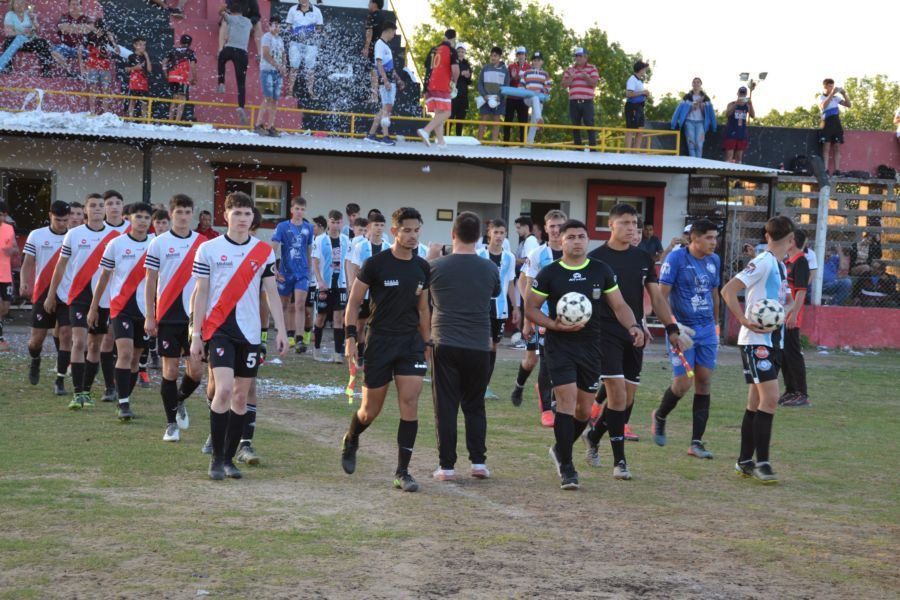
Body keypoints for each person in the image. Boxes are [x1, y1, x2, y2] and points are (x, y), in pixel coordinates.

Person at [527, 219, 643, 489]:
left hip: (591, 347)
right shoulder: (550, 273)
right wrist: (554, 324)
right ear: (561, 241)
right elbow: (531, 307)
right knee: (566, 404)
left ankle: (559, 449)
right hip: (560, 346)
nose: (577, 241)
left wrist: (633, 325)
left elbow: (619, 304)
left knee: (583, 409)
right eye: (571, 237)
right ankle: (568, 467)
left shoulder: (601, 270)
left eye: (581, 236)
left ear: (587, 240)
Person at [191, 192, 287, 480]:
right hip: (218, 329)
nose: (243, 219)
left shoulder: (263, 251)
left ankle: (230, 459)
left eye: (248, 214)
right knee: (222, 390)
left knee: (241, 398)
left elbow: (271, 292)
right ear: (226, 215)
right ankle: (216, 459)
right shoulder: (208, 249)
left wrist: (281, 330)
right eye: (238, 213)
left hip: (249, 332)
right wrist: (196, 334)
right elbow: (201, 293)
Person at [583, 204, 685, 471]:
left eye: (635, 224)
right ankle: (620, 462)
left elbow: (657, 298)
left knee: (626, 400)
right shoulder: (596, 259)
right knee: (616, 396)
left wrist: (671, 328)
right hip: (605, 334)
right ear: (611, 225)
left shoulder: (643, 259)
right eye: (626, 223)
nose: (631, 228)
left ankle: (593, 437)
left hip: (635, 334)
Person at [340, 207, 431, 493]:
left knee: (410, 402)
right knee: (370, 410)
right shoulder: (375, 264)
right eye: (407, 230)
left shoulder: (422, 267)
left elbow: (423, 308)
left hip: (410, 344)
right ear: (394, 231)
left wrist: (427, 342)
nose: (412, 236)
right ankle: (352, 437)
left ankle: (403, 471)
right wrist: (351, 338)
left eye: (417, 230)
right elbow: (354, 303)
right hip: (380, 341)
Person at [721, 215, 797, 484]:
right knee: (771, 399)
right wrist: (742, 319)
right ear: (791, 239)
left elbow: (785, 300)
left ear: (767, 236)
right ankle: (762, 463)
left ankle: (744, 462)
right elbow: (729, 290)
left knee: (755, 402)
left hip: (775, 341)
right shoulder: (763, 262)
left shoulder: (779, 266)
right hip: (756, 342)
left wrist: (782, 313)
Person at [431, 212, 500, 481]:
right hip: (478, 344)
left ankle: (447, 466)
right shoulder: (490, 268)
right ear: (480, 238)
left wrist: (432, 256)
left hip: (445, 341)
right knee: (475, 405)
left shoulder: (436, 266)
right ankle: (478, 463)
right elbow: (494, 293)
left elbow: (419, 286)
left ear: (453, 234)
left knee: (445, 405)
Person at [651, 219, 721, 460]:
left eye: (715, 237)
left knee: (704, 380)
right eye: (709, 238)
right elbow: (660, 297)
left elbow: (714, 294)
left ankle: (696, 443)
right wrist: (673, 326)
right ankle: (660, 416)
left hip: (707, 330)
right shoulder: (676, 259)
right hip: (683, 330)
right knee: (683, 383)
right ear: (695, 238)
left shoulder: (714, 260)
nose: (714, 242)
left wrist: (717, 324)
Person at [43, 193, 116, 409]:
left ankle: (86, 389)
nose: (96, 209)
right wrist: (51, 294)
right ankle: (76, 393)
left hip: (102, 297)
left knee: (95, 344)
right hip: (78, 296)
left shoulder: (114, 235)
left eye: (100, 206)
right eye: (92, 205)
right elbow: (61, 266)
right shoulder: (74, 235)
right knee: (79, 341)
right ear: (85, 209)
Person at [145, 194, 204, 441]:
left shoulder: (203, 244)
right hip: (168, 315)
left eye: (187, 212)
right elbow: (150, 282)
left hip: (195, 317)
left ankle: (179, 400)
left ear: (193, 214)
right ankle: (171, 425)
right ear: (171, 214)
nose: (183, 216)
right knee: (170, 370)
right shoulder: (158, 243)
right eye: (179, 212)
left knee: (197, 372)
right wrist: (150, 315)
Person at [88, 203, 154, 421]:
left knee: (135, 358)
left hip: (145, 310)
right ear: (129, 218)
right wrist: (94, 306)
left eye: (147, 217)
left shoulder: (156, 244)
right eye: (138, 217)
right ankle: (123, 403)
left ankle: (124, 396)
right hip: (121, 308)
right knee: (124, 353)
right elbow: (104, 277)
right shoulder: (116, 244)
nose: (143, 221)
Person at [511, 210, 567, 424]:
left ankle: (551, 402)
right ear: (545, 228)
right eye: (551, 226)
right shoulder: (537, 254)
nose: (555, 229)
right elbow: (524, 284)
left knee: (555, 360)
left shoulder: (572, 252)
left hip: (563, 318)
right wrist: (528, 319)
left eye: (559, 225)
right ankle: (521, 387)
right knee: (534, 360)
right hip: (540, 316)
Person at [21, 201, 72, 391]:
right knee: (37, 340)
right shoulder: (37, 235)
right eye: (58, 220)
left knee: (66, 334)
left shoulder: (73, 236)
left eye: (65, 220)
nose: (62, 224)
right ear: (50, 215)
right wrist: (24, 281)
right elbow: (28, 262)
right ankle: (35, 359)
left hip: (66, 292)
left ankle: (60, 380)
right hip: (42, 292)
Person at [475, 219, 517, 398]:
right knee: (483, 343)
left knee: (493, 346)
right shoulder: (478, 255)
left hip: (500, 308)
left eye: (502, 233)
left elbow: (511, 282)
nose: (499, 236)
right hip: (481, 306)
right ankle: (475, 384)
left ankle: (484, 386)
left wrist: (516, 307)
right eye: (496, 232)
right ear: (489, 234)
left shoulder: (510, 257)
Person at [272, 196, 314, 353]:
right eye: (297, 208)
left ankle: (299, 339)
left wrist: (309, 269)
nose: (299, 212)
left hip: (302, 272)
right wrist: (273, 269)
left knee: (300, 304)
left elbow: (309, 249)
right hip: (285, 271)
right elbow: (273, 247)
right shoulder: (282, 227)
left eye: (302, 209)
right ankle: (285, 335)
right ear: (291, 210)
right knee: (284, 304)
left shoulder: (308, 228)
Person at [345, 211, 388, 365]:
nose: (379, 228)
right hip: (364, 291)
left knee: (378, 323)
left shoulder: (388, 247)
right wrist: (352, 286)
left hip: (381, 293)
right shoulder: (360, 246)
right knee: (361, 324)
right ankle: (361, 353)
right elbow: (354, 268)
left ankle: (376, 353)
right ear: (369, 226)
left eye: (382, 225)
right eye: (376, 225)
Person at [311, 210, 351, 362]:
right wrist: (320, 281)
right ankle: (316, 349)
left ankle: (337, 354)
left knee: (339, 317)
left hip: (340, 284)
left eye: (338, 222)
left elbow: (347, 262)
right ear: (328, 222)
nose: (335, 225)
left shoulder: (346, 240)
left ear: (342, 223)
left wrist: (348, 284)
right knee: (320, 317)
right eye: (332, 222)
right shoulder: (320, 239)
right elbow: (315, 261)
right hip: (324, 285)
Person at [780, 230, 810, 407]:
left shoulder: (801, 262)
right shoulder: (786, 262)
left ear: (792, 241)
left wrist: (793, 315)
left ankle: (801, 393)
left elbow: (801, 292)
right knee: (784, 355)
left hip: (792, 316)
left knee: (794, 355)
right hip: (784, 315)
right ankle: (790, 390)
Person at [2, 0, 70, 76]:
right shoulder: (10, 14)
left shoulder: (29, 14)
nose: (19, 5)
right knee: (8, 41)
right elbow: (9, 32)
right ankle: (6, 70)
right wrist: (23, 33)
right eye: (17, 3)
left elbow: (38, 30)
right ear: (13, 4)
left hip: (29, 41)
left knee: (43, 42)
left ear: (24, 4)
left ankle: (46, 70)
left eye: (21, 3)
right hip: (16, 41)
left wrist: (33, 20)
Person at [364, 21, 404, 146]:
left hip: (390, 80)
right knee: (387, 108)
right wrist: (385, 80)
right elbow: (379, 64)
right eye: (393, 32)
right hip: (385, 81)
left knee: (384, 109)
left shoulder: (386, 46)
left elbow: (390, 66)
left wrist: (398, 79)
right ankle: (385, 136)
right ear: (388, 30)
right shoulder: (380, 45)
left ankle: (371, 134)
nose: (394, 35)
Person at [418, 29, 459, 149]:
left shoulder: (434, 49)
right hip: (442, 84)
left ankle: (441, 143)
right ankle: (426, 130)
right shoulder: (451, 50)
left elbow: (427, 65)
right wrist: (454, 83)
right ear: (453, 39)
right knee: (447, 112)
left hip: (430, 84)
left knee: (438, 114)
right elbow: (455, 70)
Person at [217, 1, 253, 125]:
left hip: (230, 48)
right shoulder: (248, 22)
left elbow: (220, 12)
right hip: (242, 52)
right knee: (241, 83)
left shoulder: (231, 18)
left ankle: (221, 82)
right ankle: (241, 106)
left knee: (221, 59)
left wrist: (225, 9)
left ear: (232, 12)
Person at [285, 0, 324, 100]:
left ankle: (311, 92)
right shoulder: (292, 10)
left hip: (311, 44)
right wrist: (295, 32)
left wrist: (310, 32)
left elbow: (320, 28)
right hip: (295, 43)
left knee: (310, 69)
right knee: (293, 68)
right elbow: (288, 27)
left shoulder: (317, 11)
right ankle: (290, 92)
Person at [561, 48, 599, 148]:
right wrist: (571, 78)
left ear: (586, 57)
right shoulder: (570, 70)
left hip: (587, 101)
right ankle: (578, 149)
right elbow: (563, 85)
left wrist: (586, 77)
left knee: (589, 124)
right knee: (575, 125)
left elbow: (594, 83)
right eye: (576, 56)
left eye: (580, 56)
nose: (578, 58)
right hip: (573, 101)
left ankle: (593, 148)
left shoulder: (592, 68)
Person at [671, 77, 716, 158]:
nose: (696, 84)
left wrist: (714, 126)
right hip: (689, 122)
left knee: (699, 144)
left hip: (701, 123)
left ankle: (698, 165)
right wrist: (673, 124)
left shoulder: (706, 98)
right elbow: (678, 110)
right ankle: (693, 165)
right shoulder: (687, 97)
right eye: (694, 82)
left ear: (701, 84)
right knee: (691, 144)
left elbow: (711, 113)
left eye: (698, 82)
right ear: (692, 84)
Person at [257, 15, 286, 136]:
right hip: (267, 70)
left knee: (275, 100)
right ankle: (258, 124)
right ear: (269, 26)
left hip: (277, 73)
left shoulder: (280, 39)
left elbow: (284, 54)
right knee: (267, 98)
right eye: (274, 24)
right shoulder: (266, 37)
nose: (277, 27)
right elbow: (266, 54)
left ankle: (270, 126)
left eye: (279, 25)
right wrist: (278, 65)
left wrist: (284, 66)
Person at [818, 79, 852, 176]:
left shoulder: (836, 98)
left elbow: (849, 105)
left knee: (837, 147)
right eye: (830, 86)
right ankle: (825, 169)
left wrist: (844, 94)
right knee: (826, 147)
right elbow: (823, 106)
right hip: (826, 123)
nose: (832, 88)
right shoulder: (820, 97)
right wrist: (832, 94)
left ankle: (837, 170)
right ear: (825, 87)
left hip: (836, 124)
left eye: (833, 86)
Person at [83, 18, 116, 115]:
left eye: (102, 28)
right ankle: (92, 112)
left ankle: (105, 113)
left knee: (105, 90)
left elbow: (117, 50)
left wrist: (112, 40)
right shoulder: (89, 35)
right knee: (93, 88)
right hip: (92, 65)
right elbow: (86, 49)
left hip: (105, 66)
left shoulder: (107, 36)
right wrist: (96, 38)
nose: (100, 29)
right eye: (98, 27)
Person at [476, 46, 509, 142]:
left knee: (496, 122)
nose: (493, 57)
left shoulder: (505, 70)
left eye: (495, 56)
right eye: (491, 55)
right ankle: (478, 143)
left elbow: (507, 85)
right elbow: (480, 83)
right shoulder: (485, 68)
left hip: (498, 100)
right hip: (485, 99)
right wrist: (484, 95)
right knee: (483, 121)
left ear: (499, 57)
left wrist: (500, 96)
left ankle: (494, 144)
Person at [164, 34, 197, 123]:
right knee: (181, 101)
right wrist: (195, 79)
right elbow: (193, 66)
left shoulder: (173, 50)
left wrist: (166, 75)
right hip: (182, 79)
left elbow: (163, 63)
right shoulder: (190, 52)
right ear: (190, 44)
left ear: (180, 42)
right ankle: (176, 122)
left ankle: (170, 121)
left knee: (174, 99)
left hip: (172, 78)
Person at [519, 52, 551, 146]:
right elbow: (520, 86)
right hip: (528, 99)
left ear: (542, 62)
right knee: (534, 97)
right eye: (535, 60)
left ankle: (529, 144)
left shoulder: (545, 74)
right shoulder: (526, 73)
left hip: (539, 100)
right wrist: (529, 92)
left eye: (538, 60)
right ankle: (539, 119)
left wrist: (540, 90)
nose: (536, 62)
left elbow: (548, 88)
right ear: (532, 62)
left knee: (533, 122)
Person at [503, 47, 530, 143]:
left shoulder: (529, 68)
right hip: (511, 97)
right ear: (517, 56)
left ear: (525, 55)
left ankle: (524, 143)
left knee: (523, 122)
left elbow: (531, 83)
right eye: (519, 54)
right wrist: (512, 78)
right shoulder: (511, 67)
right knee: (508, 121)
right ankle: (505, 143)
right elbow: (506, 82)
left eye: (522, 54)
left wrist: (520, 78)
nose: (521, 56)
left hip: (523, 99)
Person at [55, 0, 92, 68]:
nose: (75, 7)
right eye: (73, 4)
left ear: (80, 6)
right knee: (53, 51)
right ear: (69, 6)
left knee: (86, 52)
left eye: (77, 4)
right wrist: (80, 28)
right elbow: (61, 27)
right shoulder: (64, 17)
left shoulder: (86, 18)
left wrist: (69, 28)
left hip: (82, 48)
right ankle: (68, 70)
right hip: (66, 47)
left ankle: (83, 74)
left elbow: (90, 29)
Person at [0, 201, 17, 352]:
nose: (2, 217)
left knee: (5, 308)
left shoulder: (9, 228)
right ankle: (0, 338)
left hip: (5, 275)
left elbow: (15, 248)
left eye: (4, 214)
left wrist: (11, 250)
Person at [361, 0, 385, 102]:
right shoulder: (383, 16)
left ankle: (374, 96)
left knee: (373, 71)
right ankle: (374, 95)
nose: (368, 5)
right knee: (376, 70)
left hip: (374, 47)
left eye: (370, 2)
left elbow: (369, 31)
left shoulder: (371, 16)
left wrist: (366, 47)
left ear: (374, 4)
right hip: (381, 47)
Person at [724, 86, 755, 164]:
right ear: (737, 93)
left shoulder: (747, 105)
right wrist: (736, 104)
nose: (742, 96)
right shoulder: (731, 104)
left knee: (739, 157)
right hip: (731, 132)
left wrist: (751, 105)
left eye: (743, 94)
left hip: (742, 133)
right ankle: (726, 173)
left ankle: (736, 174)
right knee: (729, 157)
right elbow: (727, 114)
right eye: (741, 93)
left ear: (746, 95)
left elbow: (753, 115)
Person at [624, 60, 650, 150]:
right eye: (644, 69)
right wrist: (642, 92)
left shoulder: (639, 81)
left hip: (640, 107)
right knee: (630, 130)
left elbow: (638, 93)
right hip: (632, 106)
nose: (645, 71)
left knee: (640, 129)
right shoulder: (632, 79)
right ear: (641, 69)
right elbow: (628, 94)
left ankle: (636, 152)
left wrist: (645, 94)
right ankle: (627, 152)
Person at [126, 37, 152, 120]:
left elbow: (149, 70)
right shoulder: (131, 56)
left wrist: (147, 57)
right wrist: (135, 68)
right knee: (132, 101)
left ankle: (144, 121)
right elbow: (126, 69)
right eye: (140, 45)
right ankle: (130, 119)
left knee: (144, 102)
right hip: (134, 82)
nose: (143, 47)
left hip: (144, 82)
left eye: (144, 45)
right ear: (135, 45)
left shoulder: (145, 57)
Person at [450, 43, 471, 137]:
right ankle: (445, 136)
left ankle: (458, 137)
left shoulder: (467, 64)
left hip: (463, 94)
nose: (461, 53)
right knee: (450, 116)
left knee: (461, 118)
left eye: (462, 51)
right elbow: (450, 76)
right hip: (453, 94)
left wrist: (468, 75)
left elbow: (470, 81)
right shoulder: (452, 62)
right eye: (459, 51)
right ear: (456, 52)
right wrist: (461, 73)